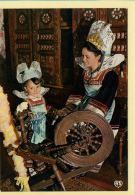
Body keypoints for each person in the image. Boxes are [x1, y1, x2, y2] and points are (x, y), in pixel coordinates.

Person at [57, 20, 125, 172]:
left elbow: (106, 97)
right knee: (71, 126)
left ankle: (87, 165)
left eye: (87, 56)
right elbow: (78, 92)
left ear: (98, 57)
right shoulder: (85, 72)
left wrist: (88, 114)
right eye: (83, 56)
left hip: (104, 110)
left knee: (89, 132)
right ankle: (74, 161)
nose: (84, 60)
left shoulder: (110, 75)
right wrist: (70, 108)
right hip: (84, 105)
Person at [13, 61, 49, 175]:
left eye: (37, 87)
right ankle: (32, 167)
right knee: (32, 147)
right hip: (32, 128)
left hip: (43, 126)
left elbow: (45, 109)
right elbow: (19, 114)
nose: (36, 90)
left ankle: (42, 165)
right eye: (32, 88)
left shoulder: (41, 98)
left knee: (42, 145)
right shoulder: (27, 101)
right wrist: (22, 112)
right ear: (25, 88)